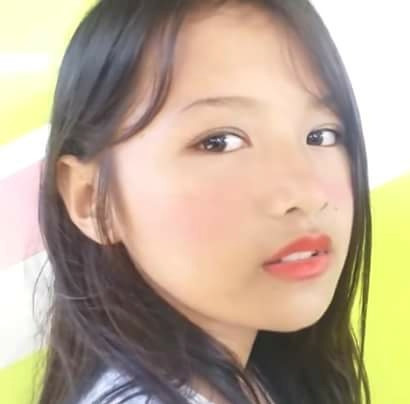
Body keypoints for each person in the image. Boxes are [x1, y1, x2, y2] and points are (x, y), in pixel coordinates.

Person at [36, 0, 373, 403]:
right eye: (220, 142)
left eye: (322, 135)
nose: (308, 194)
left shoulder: (258, 374)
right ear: (92, 199)